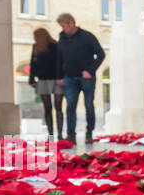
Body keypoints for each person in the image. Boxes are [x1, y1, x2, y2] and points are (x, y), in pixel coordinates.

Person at [55, 12, 106, 146]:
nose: (63, 29)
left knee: (89, 105)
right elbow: (58, 59)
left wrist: (90, 70)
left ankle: (89, 133)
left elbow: (101, 54)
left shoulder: (87, 36)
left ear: (71, 23)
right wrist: (59, 76)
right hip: (69, 79)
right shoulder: (62, 39)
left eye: (64, 26)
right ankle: (71, 135)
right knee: (70, 106)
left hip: (86, 78)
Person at [27, 27, 63, 140]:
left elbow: (61, 63)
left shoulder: (56, 46)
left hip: (56, 80)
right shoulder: (36, 47)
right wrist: (31, 79)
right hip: (42, 80)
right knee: (48, 108)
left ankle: (60, 134)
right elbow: (32, 64)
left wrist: (61, 77)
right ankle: (51, 134)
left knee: (58, 107)